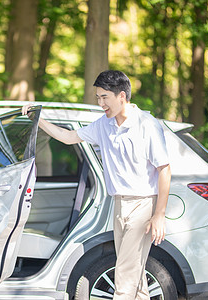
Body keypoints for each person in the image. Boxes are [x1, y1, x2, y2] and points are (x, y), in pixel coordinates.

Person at [22, 70, 171, 299]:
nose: (101, 103)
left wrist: (159, 214)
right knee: (136, 278)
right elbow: (69, 137)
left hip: (143, 205)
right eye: (98, 97)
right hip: (119, 204)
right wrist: (38, 120)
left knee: (125, 276)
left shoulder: (146, 125)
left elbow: (164, 169)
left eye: (105, 97)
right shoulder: (105, 125)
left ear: (122, 96)